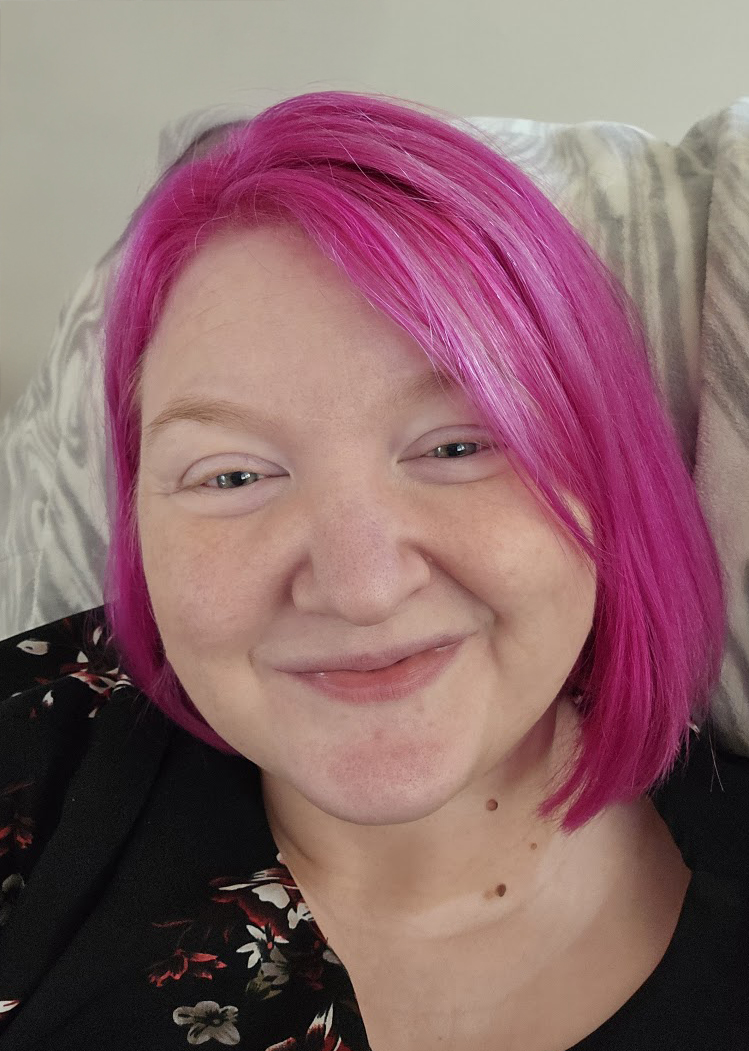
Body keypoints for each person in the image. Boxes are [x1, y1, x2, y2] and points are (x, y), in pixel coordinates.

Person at [0, 90, 746, 1051]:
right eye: (232, 474)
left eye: (457, 446)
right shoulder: (31, 755)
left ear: (607, 479)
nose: (361, 589)